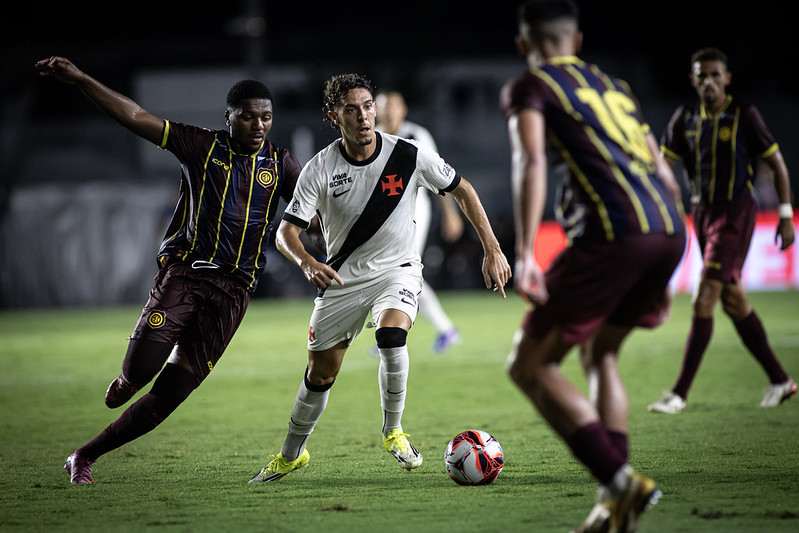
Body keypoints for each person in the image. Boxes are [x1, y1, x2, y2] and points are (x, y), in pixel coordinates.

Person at [35, 56, 304, 484]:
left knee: (171, 395)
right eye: (248, 117)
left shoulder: (281, 164)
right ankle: (128, 378)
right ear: (228, 118)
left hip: (234, 293)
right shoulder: (201, 146)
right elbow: (136, 116)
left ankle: (84, 455)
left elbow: (317, 208)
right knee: (141, 373)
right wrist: (82, 78)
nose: (259, 125)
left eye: (266, 117)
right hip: (187, 276)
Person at [249, 73, 511, 482]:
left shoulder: (408, 153)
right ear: (334, 117)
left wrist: (492, 248)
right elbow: (285, 233)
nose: (363, 117)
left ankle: (393, 431)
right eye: (351, 110)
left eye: (368, 106)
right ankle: (291, 454)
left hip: (397, 270)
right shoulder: (320, 168)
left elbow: (463, 189)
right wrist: (308, 263)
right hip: (342, 281)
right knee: (320, 376)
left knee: (391, 335)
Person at [500, 1, 686, 531]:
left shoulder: (531, 86)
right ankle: (611, 503)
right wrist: (664, 263)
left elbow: (530, 159)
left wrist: (525, 252)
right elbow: (661, 170)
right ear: (577, 40)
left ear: (524, 45)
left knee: (529, 365)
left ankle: (621, 482)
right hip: (668, 229)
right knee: (601, 352)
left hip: (613, 234)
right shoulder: (614, 87)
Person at [648, 48, 796, 414]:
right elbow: (663, 166)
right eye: (702, 76)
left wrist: (784, 214)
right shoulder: (685, 118)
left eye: (715, 75)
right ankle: (780, 380)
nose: (709, 82)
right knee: (734, 301)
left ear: (727, 78)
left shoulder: (744, 114)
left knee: (705, 297)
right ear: (693, 80)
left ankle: (679, 394)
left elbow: (776, 162)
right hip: (702, 214)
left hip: (735, 214)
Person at [375, 89, 464, 353]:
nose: (389, 111)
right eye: (384, 106)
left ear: (403, 110)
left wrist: (450, 213)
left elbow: (440, 176)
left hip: (415, 209)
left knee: (403, 270)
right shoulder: (372, 136)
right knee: (388, 272)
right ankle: (391, 332)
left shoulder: (416, 135)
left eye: (394, 105)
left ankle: (429, 330)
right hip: (383, 213)